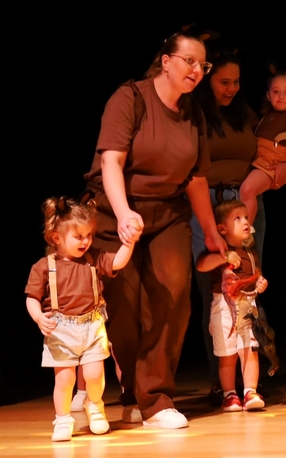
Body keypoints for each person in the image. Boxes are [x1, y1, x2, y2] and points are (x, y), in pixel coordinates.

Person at [85, 29, 224, 429]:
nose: (197, 70)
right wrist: (124, 214)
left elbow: (196, 178)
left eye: (203, 65)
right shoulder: (130, 98)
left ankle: (157, 400)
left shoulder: (193, 113)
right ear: (166, 61)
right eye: (189, 61)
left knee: (172, 296)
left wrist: (210, 230)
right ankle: (132, 392)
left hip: (168, 213)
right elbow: (111, 162)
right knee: (124, 307)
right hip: (115, 211)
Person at [190, 50, 267, 406]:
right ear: (208, 82)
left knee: (250, 281)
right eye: (224, 82)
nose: (231, 88)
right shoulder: (197, 115)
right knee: (214, 292)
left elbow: (271, 151)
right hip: (208, 204)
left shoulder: (245, 113)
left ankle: (251, 384)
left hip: (245, 203)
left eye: (236, 82)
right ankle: (223, 384)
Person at [24, 196, 135, 442]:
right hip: (60, 329)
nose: (86, 241)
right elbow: (32, 298)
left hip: (92, 325)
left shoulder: (93, 258)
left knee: (94, 375)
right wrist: (38, 317)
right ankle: (63, 419)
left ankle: (95, 407)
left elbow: (117, 261)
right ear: (56, 238)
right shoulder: (44, 266)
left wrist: (129, 243)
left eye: (89, 235)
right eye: (79, 236)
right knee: (65, 379)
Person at [196, 199, 268, 412]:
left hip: (247, 305)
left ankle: (250, 391)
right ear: (222, 228)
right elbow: (201, 265)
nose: (245, 221)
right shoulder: (220, 250)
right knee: (227, 354)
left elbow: (255, 276)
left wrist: (260, 283)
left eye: (246, 217)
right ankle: (229, 395)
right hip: (224, 308)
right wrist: (224, 257)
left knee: (250, 349)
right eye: (237, 218)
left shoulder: (251, 252)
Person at [237, 69, 286, 224]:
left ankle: (246, 230)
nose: (281, 96)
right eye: (276, 91)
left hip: (270, 165)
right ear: (268, 95)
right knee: (245, 191)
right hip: (257, 162)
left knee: (247, 190)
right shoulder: (266, 117)